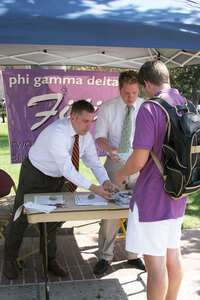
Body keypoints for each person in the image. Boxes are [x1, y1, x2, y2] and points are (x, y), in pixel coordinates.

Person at [3, 100, 119, 280]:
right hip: (35, 175)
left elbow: (94, 163)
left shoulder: (85, 136)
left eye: (91, 121)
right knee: (21, 218)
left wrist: (105, 181)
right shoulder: (57, 133)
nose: (89, 126)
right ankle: (9, 260)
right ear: (72, 117)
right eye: (85, 121)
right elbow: (68, 169)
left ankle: (49, 260)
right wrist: (94, 188)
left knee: (54, 219)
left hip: (57, 179)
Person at [115, 60, 187, 300]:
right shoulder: (188, 105)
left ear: (146, 83)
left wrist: (120, 174)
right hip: (179, 192)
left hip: (153, 197)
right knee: (173, 255)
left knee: (155, 265)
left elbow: (137, 161)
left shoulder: (149, 108)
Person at [93, 70, 145, 274]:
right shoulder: (108, 108)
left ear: (139, 89)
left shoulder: (145, 107)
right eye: (126, 93)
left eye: (134, 92)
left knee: (138, 211)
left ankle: (134, 255)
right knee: (111, 212)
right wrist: (109, 148)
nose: (131, 97)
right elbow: (99, 137)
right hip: (116, 164)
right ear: (119, 88)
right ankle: (105, 256)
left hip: (141, 165)